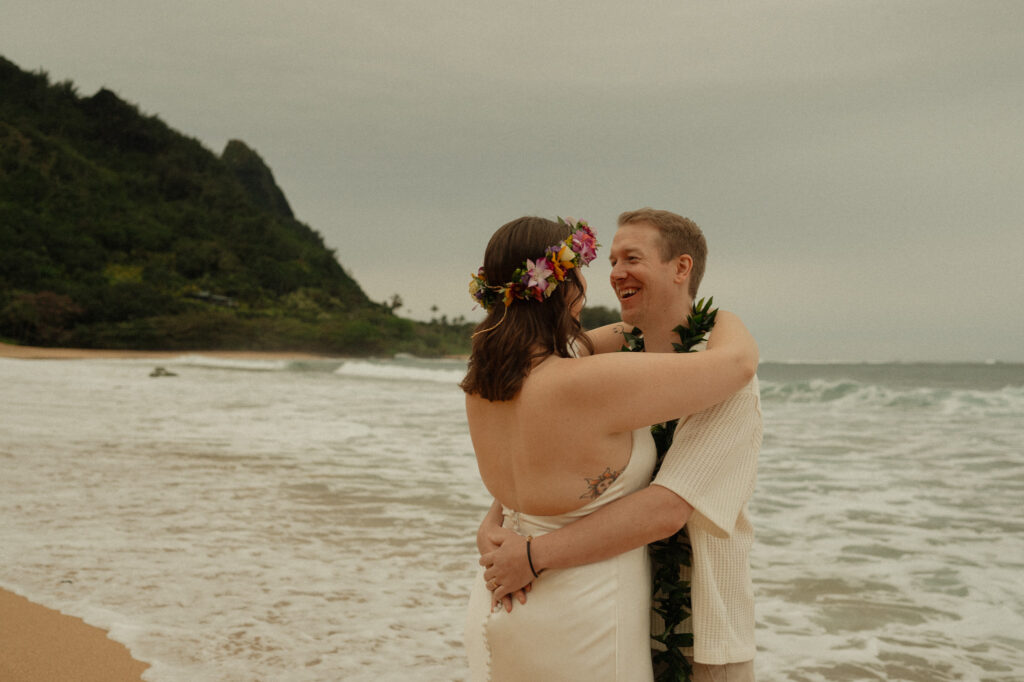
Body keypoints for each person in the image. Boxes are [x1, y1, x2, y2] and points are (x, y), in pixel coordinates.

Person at [461, 215, 758, 681]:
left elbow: (664, 504)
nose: (613, 274)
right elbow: (738, 362)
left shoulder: (494, 379)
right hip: (591, 614)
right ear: (562, 286)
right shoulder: (596, 375)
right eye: (602, 263)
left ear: (682, 268)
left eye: (630, 258)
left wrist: (504, 521)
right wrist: (726, 317)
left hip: (687, 626)